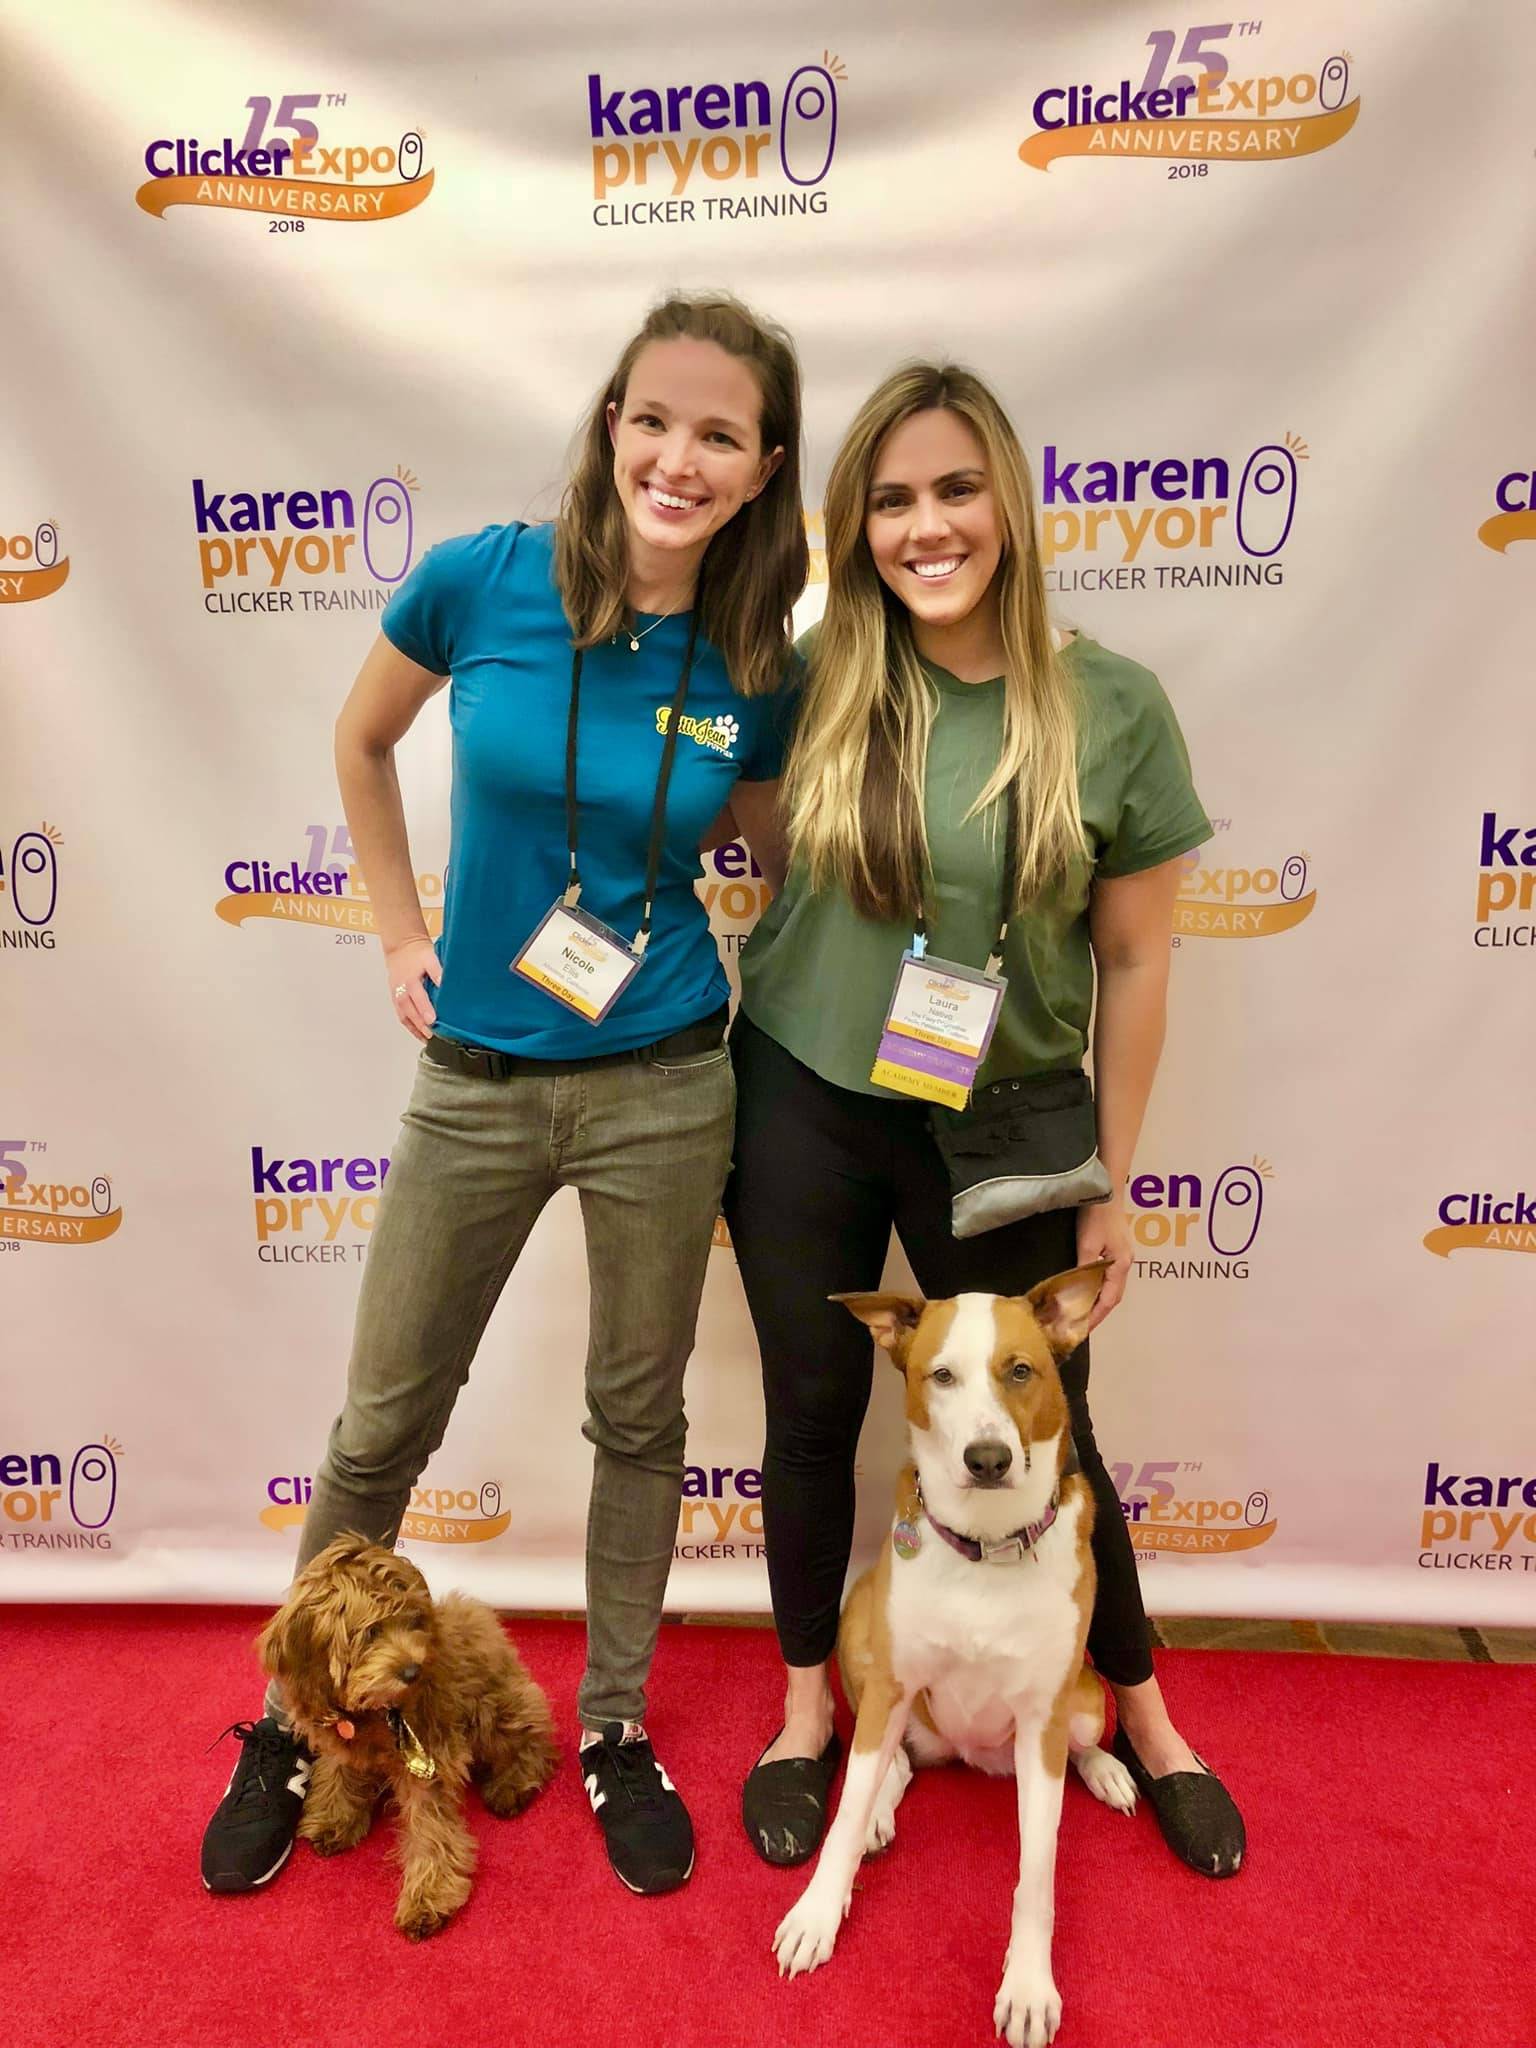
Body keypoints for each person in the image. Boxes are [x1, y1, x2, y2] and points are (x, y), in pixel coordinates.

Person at [201, 292, 805, 1901]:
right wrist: (400, 932)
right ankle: (294, 1717)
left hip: (667, 1077)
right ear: (612, 421)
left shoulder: (755, 655)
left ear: (760, 471)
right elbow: (361, 738)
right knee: (382, 1421)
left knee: (638, 1414)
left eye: (721, 437)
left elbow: (768, 842)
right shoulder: (478, 578)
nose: (678, 458)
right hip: (471, 1080)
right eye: (655, 419)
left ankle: (612, 1725)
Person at [722, 363, 1245, 1877]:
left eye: (955, 490)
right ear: (854, 522)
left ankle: (1146, 1714)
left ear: (1008, 502)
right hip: (807, 1094)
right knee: (814, 1419)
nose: (925, 525)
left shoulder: (1113, 705)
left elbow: (1135, 957)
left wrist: (1117, 1179)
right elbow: (738, 818)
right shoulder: (822, 671)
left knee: (1056, 1424)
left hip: (1008, 1125)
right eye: (890, 500)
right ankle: (809, 1714)